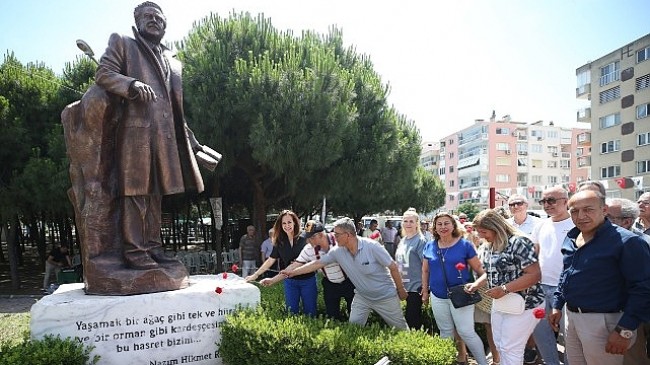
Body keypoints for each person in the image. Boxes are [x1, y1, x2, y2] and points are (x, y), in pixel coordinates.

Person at [94, 1, 212, 270]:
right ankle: (135, 252)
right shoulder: (124, 43)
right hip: (135, 136)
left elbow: (174, 108)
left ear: (165, 24)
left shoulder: (172, 59)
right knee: (135, 194)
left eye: (158, 18)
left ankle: (153, 248)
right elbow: (103, 73)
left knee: (156, 195)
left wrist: (192, 142)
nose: (154, 21)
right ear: (137, 22)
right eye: (147, 17)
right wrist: (131, 84)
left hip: (165, 138)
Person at [550, 190, 650, 365]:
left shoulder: (628, 242)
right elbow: (567, 273)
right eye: (574, 211)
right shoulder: (571, 237)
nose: (581, 216)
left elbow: (643, 289)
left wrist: (625, 330)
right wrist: (557, 305)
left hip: (606, 321)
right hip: (572, 317)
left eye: (588, 209)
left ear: (604, 210)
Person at [283, 217, 409, 329]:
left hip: (384, 296)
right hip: (362, 297)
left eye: (337, 234)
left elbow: (393, 267)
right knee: (353, 330)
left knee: (402, 331)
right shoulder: (337, 251)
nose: (333, 237)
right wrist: (293, 273)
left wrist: (401, 289)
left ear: (348, 235)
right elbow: (316, 264)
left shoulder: (372, 247)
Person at [473, 209, 545, 365]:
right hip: (501, 301)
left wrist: (504, 289)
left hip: (525, 303)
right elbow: (492, 272)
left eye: (484, 231)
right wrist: (476, 284)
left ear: (496, 227)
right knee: (500, 345)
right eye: (479, 232)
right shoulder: (488, 246)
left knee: (511, 347)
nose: (481, 236)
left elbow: (534, 274)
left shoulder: (519, 242)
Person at [421, 212, 488, 365]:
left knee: (466, 332)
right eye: (439, 224)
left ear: (453, 225)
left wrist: (476, 284)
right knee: (445, 332)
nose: (443, 227)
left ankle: (482, 362)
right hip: (438, 296)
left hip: (462, 296)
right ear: (435, 227)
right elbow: (425, 270)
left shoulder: (464, 245)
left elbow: (481, 270)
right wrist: (425, 291)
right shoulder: (429, 246)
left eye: (446, 223)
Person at [261, 221, 355, 320]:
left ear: (320, 235)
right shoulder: (309, 249)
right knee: (332, 316)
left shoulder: (339, 240)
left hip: (349, 281)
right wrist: (272, 280)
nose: (308, 241)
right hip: (330, 284)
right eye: (307, 238)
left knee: (355, 315)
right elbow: (294, 266)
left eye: (311, 238)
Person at [527, 186, 574, 365]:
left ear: (565, 201)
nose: (547, 205)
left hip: (566, 289)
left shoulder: (576, 224)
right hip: (540, 287)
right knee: (540, 332)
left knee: (569, 336)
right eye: (543, 201)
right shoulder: (541, 225)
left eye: (551, 200)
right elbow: (534, 254)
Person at [246, 210, 317, 316]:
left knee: (311, 313)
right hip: (290, 282)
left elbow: (312, 259)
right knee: (291, 313)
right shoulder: (279, 241)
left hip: (307, 280)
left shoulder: (305, 238)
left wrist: (273, 279)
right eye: (284, 223)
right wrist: (255, 275)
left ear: (294, 222)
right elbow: (270, 260)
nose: (287, 225)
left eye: (289, 222)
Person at [606, 198, 650, 365]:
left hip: (632, 314)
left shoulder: (638, 243)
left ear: (626, 222)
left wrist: (627, 326)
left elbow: (643, 287)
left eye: (608, 217)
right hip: (613, 313)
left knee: (632, 358)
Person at [395, 208, 427, 330]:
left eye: (411, 221)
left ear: (417, 224)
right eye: (406, 221)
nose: (408, 224)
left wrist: (425, 289)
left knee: (412, 320)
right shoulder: (403, 240)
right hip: (403, 286)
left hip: (415, 287)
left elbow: (425, 266)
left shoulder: (420, 240)